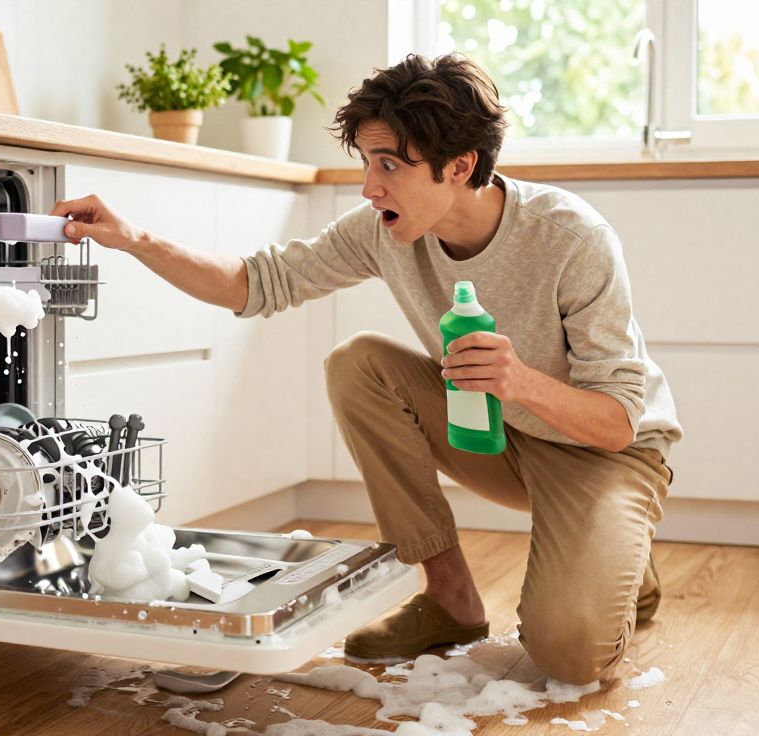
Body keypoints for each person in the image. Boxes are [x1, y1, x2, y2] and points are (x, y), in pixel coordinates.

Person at [50, 53, 681, 685]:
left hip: (603, 454)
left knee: (570, 655)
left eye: (390, 165)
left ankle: (623, 557)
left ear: (460, 166)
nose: (369, 187)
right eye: (366, 163)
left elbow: (620, 420)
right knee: (359, 364)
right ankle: (450, 598)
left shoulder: (571, 238)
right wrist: (135, 240)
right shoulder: (384, 229)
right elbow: (255, 282)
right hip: (499, 436)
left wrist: (519, 380)